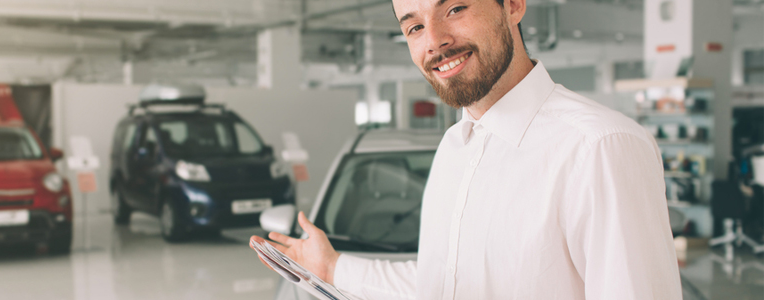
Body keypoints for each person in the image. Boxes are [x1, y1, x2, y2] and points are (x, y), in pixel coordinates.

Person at [250, 0, 682, 298]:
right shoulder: (455, 147)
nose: (434, 41)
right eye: (415, 26)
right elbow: (443, 284)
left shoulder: (599, 147)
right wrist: (332, 268)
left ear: (512, 4)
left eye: (454, 8)